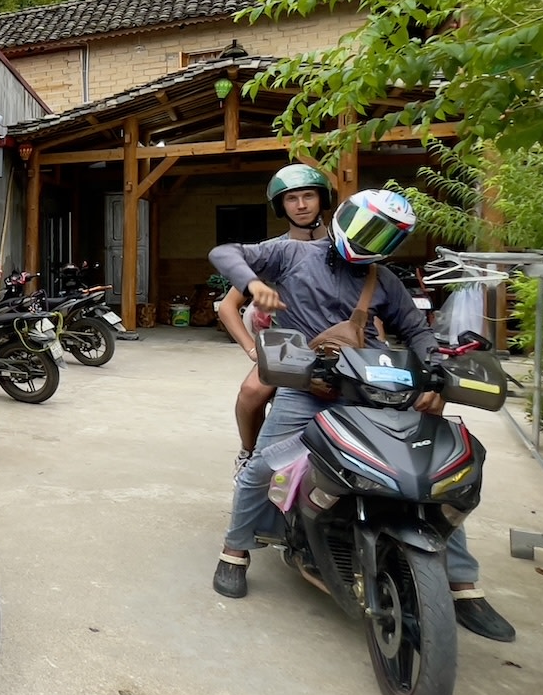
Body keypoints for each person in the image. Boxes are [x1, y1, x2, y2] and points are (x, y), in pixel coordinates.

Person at [208, 188, 516, 642]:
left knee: (425, 477)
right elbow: (224, 251)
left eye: (384, 235)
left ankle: (463, 585)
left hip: (371, 384)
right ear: (346, 218)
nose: (370, 239)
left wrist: (435, 375)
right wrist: (254, 284)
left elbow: (415, 330)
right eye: (367, 226)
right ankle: (235, 551)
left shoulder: (384, 280)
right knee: (261, 467)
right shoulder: (290, 253)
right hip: (306, 384)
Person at [217, 165, 333, 469]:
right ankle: (248, 452)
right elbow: (227, 307)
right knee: (251, 391)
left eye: (309, 196)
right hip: (291, 351)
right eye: (292, 198)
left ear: (322, 199)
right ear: (281, 206)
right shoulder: (275, 252)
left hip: (343, 346)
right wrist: (253, 351)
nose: (302, 205)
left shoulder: (343, 247)